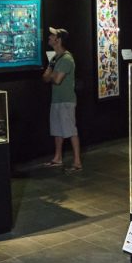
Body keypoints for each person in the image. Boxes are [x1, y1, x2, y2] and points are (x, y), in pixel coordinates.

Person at [42, 27, 82, 173]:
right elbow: (45, 77)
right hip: (57, 100)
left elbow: (56, 80)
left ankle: (77, 162)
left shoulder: (66, 58)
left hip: (66, 100)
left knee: (70, 130)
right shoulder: (55, 58)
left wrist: (51, 75)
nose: (49, 37)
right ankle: (57, 158)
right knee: (57, 130)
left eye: (52, 36)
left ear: (58, 40)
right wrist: (52, 75)